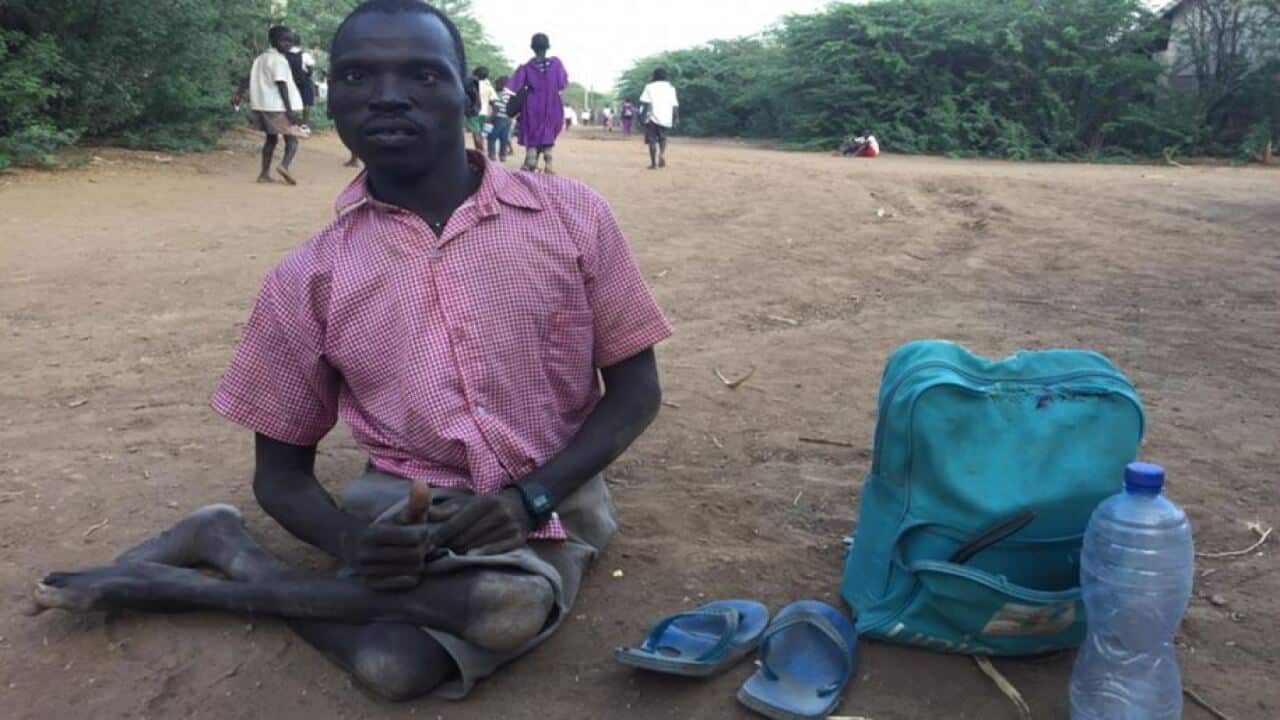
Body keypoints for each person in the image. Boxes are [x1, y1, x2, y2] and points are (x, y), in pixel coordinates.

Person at [29, 0, 671, 704]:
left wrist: (529, 498)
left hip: (553, 494)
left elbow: (636, 392)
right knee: (413, 657)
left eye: (422, 75)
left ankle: (211, 570)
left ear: (466, 92)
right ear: (331, 100)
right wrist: (348, 542)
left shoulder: (573, 216)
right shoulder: (309, 277)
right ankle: (226, 544)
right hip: (406, 507)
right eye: (357, 77)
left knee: (437, 644)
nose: (388, 96)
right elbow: (280, 475)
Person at [248, 25, 306, 184]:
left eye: (291, 41)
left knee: (271, 139)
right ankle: (284, 166)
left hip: (263, 106)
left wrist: (239, 94)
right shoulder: (279, 60)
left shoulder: (261, 58)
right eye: (284, 40)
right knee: (292, 140)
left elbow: (248, 78)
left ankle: (264, 174)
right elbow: (282, 85)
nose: (288, 44)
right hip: (278, 107)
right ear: (273, 41)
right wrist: (289, 111)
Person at [509, 33, 568, 173]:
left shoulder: (525, 67)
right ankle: (548, 162)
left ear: (532, 48)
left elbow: (514, 88)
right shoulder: (557, 64)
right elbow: (562, 84)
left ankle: (530, 160)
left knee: (532, 133)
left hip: (532, 105)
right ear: (547, 47)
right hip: (552, 104)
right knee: (548, 131)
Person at [639, 68, 679, 170]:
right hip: (666, 117)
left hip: (651, 117)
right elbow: (674, 105)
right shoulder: (671, 88)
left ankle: (653, 164)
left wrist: (642, 117)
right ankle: (662, 154)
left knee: (652, 140)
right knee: (663, 138)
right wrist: (676, 118)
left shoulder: (649, 87)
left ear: (654, 75)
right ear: (665, 76)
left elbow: (645, 103)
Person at [285, 32, 317, 126]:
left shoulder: (284, 55)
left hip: (289, 81)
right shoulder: (305, 55)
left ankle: (288, 122)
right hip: (304, 80)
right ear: (299, 42)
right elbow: (310, 69)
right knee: (306, 102)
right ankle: (304, 124)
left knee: (287, 101)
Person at [466, 66, 495, 153]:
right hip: (485, 112)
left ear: (475, 72)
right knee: (481, 135)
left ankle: (481, 153)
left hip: (473, 112)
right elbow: (493, 101)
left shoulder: (469, 81)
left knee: (476, 134)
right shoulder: (487, 84)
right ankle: (482, 152)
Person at [487, 75, 513, 162]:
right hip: (507, 119)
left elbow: (497, 108)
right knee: (504, 138)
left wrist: (490, 118)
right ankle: (503, 156)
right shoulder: (510, 94)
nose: (495, 86)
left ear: (502, 84)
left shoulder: (501, 93)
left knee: (491, 137)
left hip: (498, 118)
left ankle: (492, 155)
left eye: (496, 84)